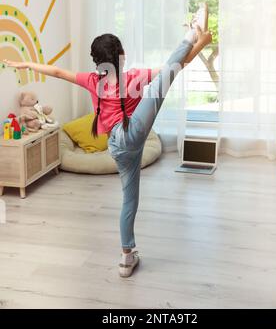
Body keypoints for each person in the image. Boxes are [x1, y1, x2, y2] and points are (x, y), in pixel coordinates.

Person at [3, 23, 212, 278]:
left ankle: (127, 257)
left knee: (130, 201)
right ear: (121, 55)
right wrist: (197, 43)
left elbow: (57, 71)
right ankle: (191, 33)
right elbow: (176, 66)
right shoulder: (134, 76)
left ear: (97, 62)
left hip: (118, 148)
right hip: (131, 135)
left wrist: (27, 65)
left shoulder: (92, 81)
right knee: (164, 79)